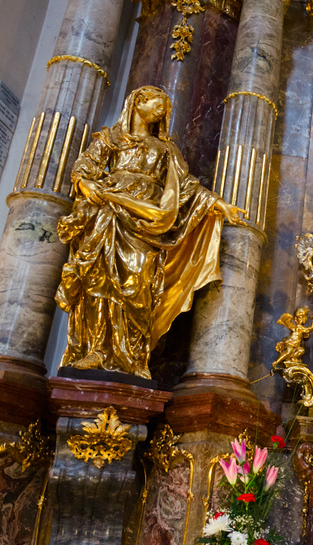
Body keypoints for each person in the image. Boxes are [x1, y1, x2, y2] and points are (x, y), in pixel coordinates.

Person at [56, 86, 244, 379]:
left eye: (165, 111)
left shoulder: (165, 150)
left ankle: (131, 358)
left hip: (147, 225)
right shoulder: (110, 139)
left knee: (139, 284)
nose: (162, 113)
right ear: (138, 102)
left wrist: (219, 204)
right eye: (158, 106)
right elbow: (84, 166)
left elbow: (186, 187)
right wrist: (83, 184)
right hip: (108, 218)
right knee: (99, 279)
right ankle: (95, 349)